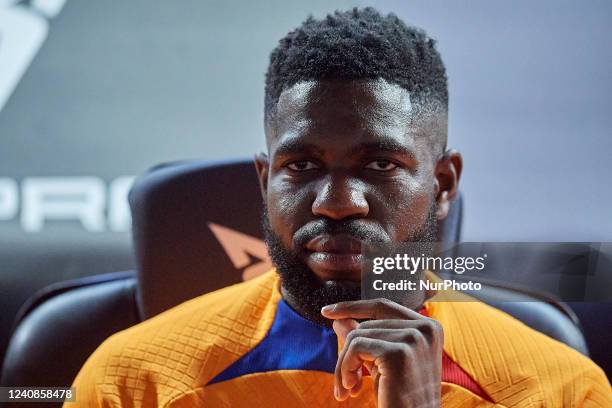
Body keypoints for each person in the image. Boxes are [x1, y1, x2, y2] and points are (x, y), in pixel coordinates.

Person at [68, 8, 611, 407]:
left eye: (380, 165)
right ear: (265, 182)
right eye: (302, 166)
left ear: (443, 184)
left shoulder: (560, 390)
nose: (336, 204)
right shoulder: (132, 382)